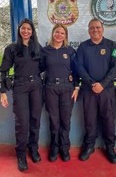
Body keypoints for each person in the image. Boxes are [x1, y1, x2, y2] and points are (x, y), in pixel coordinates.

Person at [0, 18, 43, 171]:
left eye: (29, 29)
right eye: (23, 28)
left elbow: (45, 66)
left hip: (37, 86)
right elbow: (3, 70)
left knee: (35, 119)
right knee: (22, 122)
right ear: (19, 30)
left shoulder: (38, 48)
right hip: (20, 87)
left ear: (32, 31)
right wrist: (2, 92)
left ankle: (33, 148)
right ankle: (21, 154)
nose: (26, 31)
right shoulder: (12, 48)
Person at [76, 18, 116, 164]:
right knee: (89, 119)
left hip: (106, 90)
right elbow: (79, 67)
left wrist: (103, 84)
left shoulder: (111, 46)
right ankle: (89, 146)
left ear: (103, 29)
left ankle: (110, 147)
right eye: (92, 28)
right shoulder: (83, 47)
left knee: (108, 119)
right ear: (88, 30)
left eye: (97, 27)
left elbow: (115, 68)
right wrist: (91, 83)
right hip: (89, 91)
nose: (95, 30)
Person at [40, 24, 79, 162]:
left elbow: (76, 71)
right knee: (54, 120)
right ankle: (54, 148)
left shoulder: (70, 51)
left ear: (65, 36)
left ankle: (64, 149)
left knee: (65, 121)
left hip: (67, 89)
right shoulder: (45, 51)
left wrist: (76, 87)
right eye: (57, 32)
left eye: (62, 33)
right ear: (53, 33)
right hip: (50, 87)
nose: (59, 35)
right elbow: (39, 68)